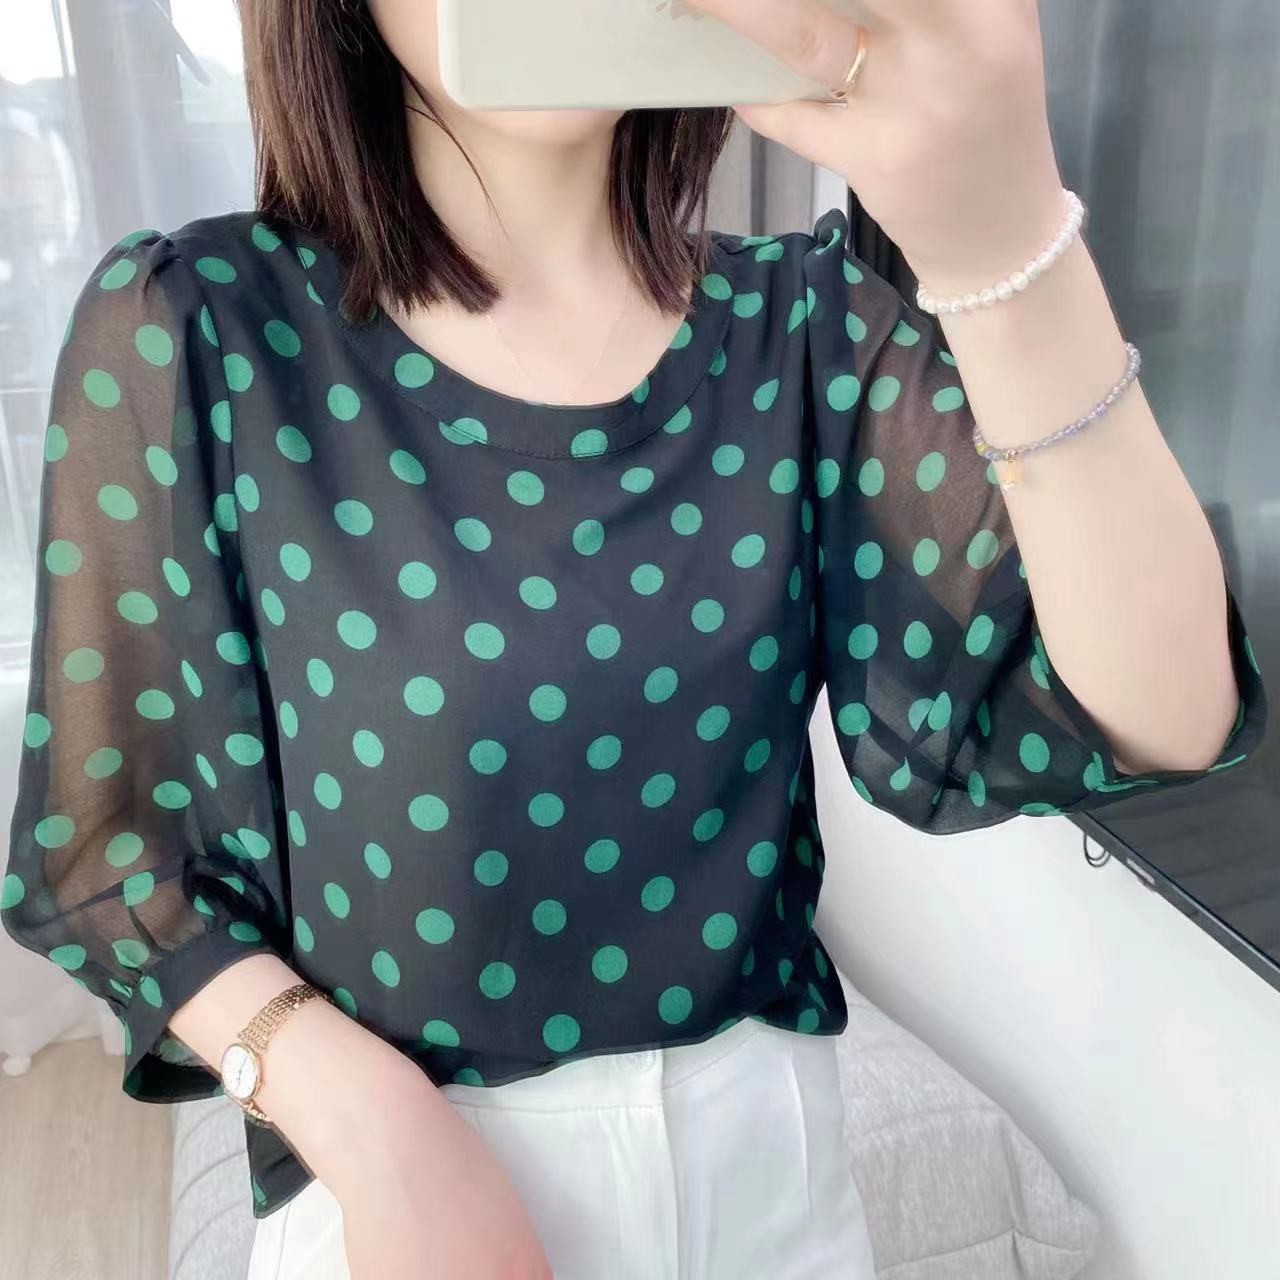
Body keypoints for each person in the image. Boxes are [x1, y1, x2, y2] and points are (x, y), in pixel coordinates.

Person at [2, 0, 1268, 1277]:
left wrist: (1003, 242)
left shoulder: (805, 327)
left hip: (776, 1190)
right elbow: (108, 857)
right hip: (402, 1200)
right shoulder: (200, 325)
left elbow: (1162, 713)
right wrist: (374, 1127)